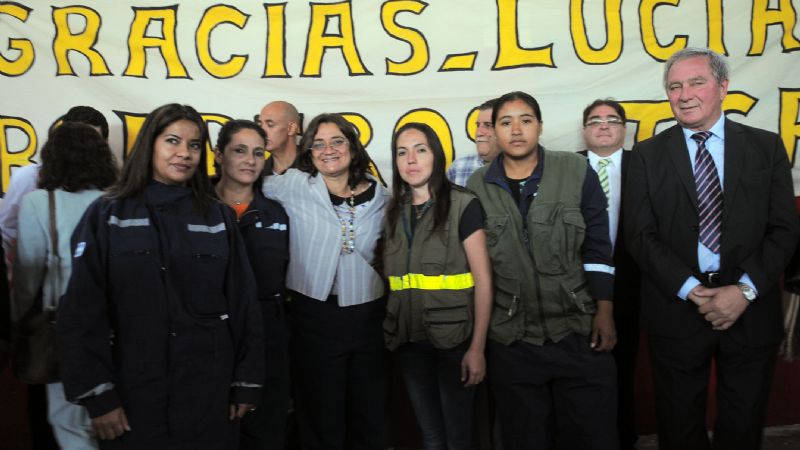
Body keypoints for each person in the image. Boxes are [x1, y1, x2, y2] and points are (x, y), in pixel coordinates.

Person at [57, 103, 264, 449]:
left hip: (208, 395)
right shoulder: (108, 215)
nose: (184, 153)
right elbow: (80, 312)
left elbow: (244, 304)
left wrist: (247, 380)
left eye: (194, 145)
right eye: (172, 141)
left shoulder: (217, 218)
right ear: (150, 144)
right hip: (133, 396)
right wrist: (99, 397)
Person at [624, 47, 799, 450]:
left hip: (750, 311)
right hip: (677, 309)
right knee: (678, 426)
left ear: (723, 86)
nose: (684, 94)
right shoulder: (648, 155)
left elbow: (784, 230)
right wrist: (691, 289)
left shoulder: (766, 147)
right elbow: (639, 234)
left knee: (743, 425)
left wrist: (745, 291)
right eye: (674, 86)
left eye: (696, 82)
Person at [466, 91, 617, 450]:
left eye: (526, 120)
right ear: (494, 131)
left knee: (591, 437)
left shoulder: (576, 170)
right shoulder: (476, 186)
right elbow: (478, 270)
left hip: (577, 333)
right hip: (514, 343)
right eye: (505, 122)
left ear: (540, 126)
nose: (516, 130)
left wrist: (605, 310)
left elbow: (598, 245)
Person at [262, 113, 390, 450]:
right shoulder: (291, 184)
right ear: (308, 151)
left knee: (369, 411)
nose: (328, 150)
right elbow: (238, 185)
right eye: (318, 143)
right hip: (313, 317)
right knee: (321, 413)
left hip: (369, 317)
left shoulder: (381, 196)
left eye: (337, 141)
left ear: (352, 146)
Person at [0, 105, 109, 450]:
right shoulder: (115, 202)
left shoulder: (36, 202)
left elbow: (26, 281)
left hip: (61, 329)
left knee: (67, 422)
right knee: (109, 418)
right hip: (113, 328)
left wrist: (17, 325)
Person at [383, 122, 492, 450]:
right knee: (431, 437)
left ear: (437, 156)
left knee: (459, 439)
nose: (411, 159)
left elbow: (484, 281)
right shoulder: (393, 212)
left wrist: (477, 349)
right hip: (410, 342)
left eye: (420, 149)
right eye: (402, 152)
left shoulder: (463, 205)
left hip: (455, 343)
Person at [212, 119, 291, 450]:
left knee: (265, 434)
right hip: (209, 342)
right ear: (219, 155)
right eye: (239, 151)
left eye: (258, 152)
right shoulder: (193, 207)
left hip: (266, 343)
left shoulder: (277, 213)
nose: (250, 160)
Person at [578, 99, 641, 450]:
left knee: (624, 371)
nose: (603, 125)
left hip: (634, 290)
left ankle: (623, 439)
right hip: (578, 290)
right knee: (583, 376)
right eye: (595, 120)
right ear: (585, 130)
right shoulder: (567, 167)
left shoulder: (644, 165)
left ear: (624, 128)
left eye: (612, 119)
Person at [447, 99, 499, 187]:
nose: (479, 132)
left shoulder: (520, 167)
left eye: (488, 125)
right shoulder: (459, 166)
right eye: (478, 125)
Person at [258, 101, 301, 175]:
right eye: (260, 125)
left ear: (291, 128)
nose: (261, 131)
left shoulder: (316, 166)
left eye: (270, 125)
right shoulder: (257, 173)